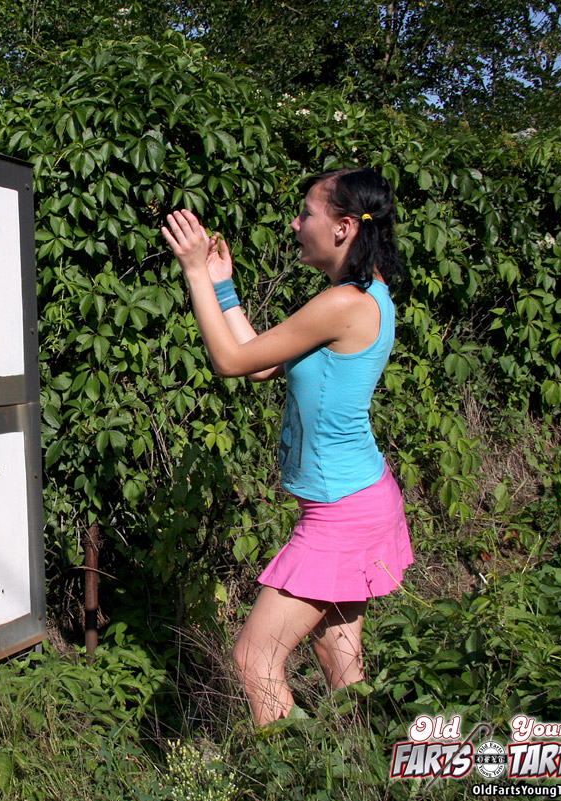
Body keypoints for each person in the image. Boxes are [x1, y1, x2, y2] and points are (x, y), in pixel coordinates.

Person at [161, 167, 413, 726]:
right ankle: (362, 760)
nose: (296, 224)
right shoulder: (363, 295)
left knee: (254, 659)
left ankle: (283, 766)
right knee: (340, 664)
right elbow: (260, 365)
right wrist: (223, 286)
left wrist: (195, 271)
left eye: (306, 214)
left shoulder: (345, 303)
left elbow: (228, 361)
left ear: (344, 227)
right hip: (359, 498)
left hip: (341, 513)